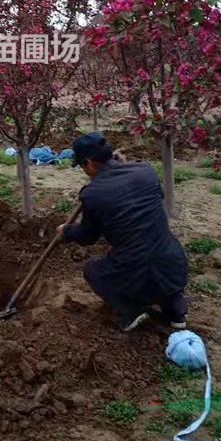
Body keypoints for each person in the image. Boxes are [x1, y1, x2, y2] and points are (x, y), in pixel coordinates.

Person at [57, 132, 188, 332]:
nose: (84, 171)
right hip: (172, 263)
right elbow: (154, 195)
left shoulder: (92, 194)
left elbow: (88, 236)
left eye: (82, 166)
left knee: (93, 270)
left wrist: (66, 231)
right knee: (158, 262)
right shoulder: (145, 171)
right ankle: (176, 311)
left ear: (90, 163)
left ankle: (131, 312)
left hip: (135, 272)